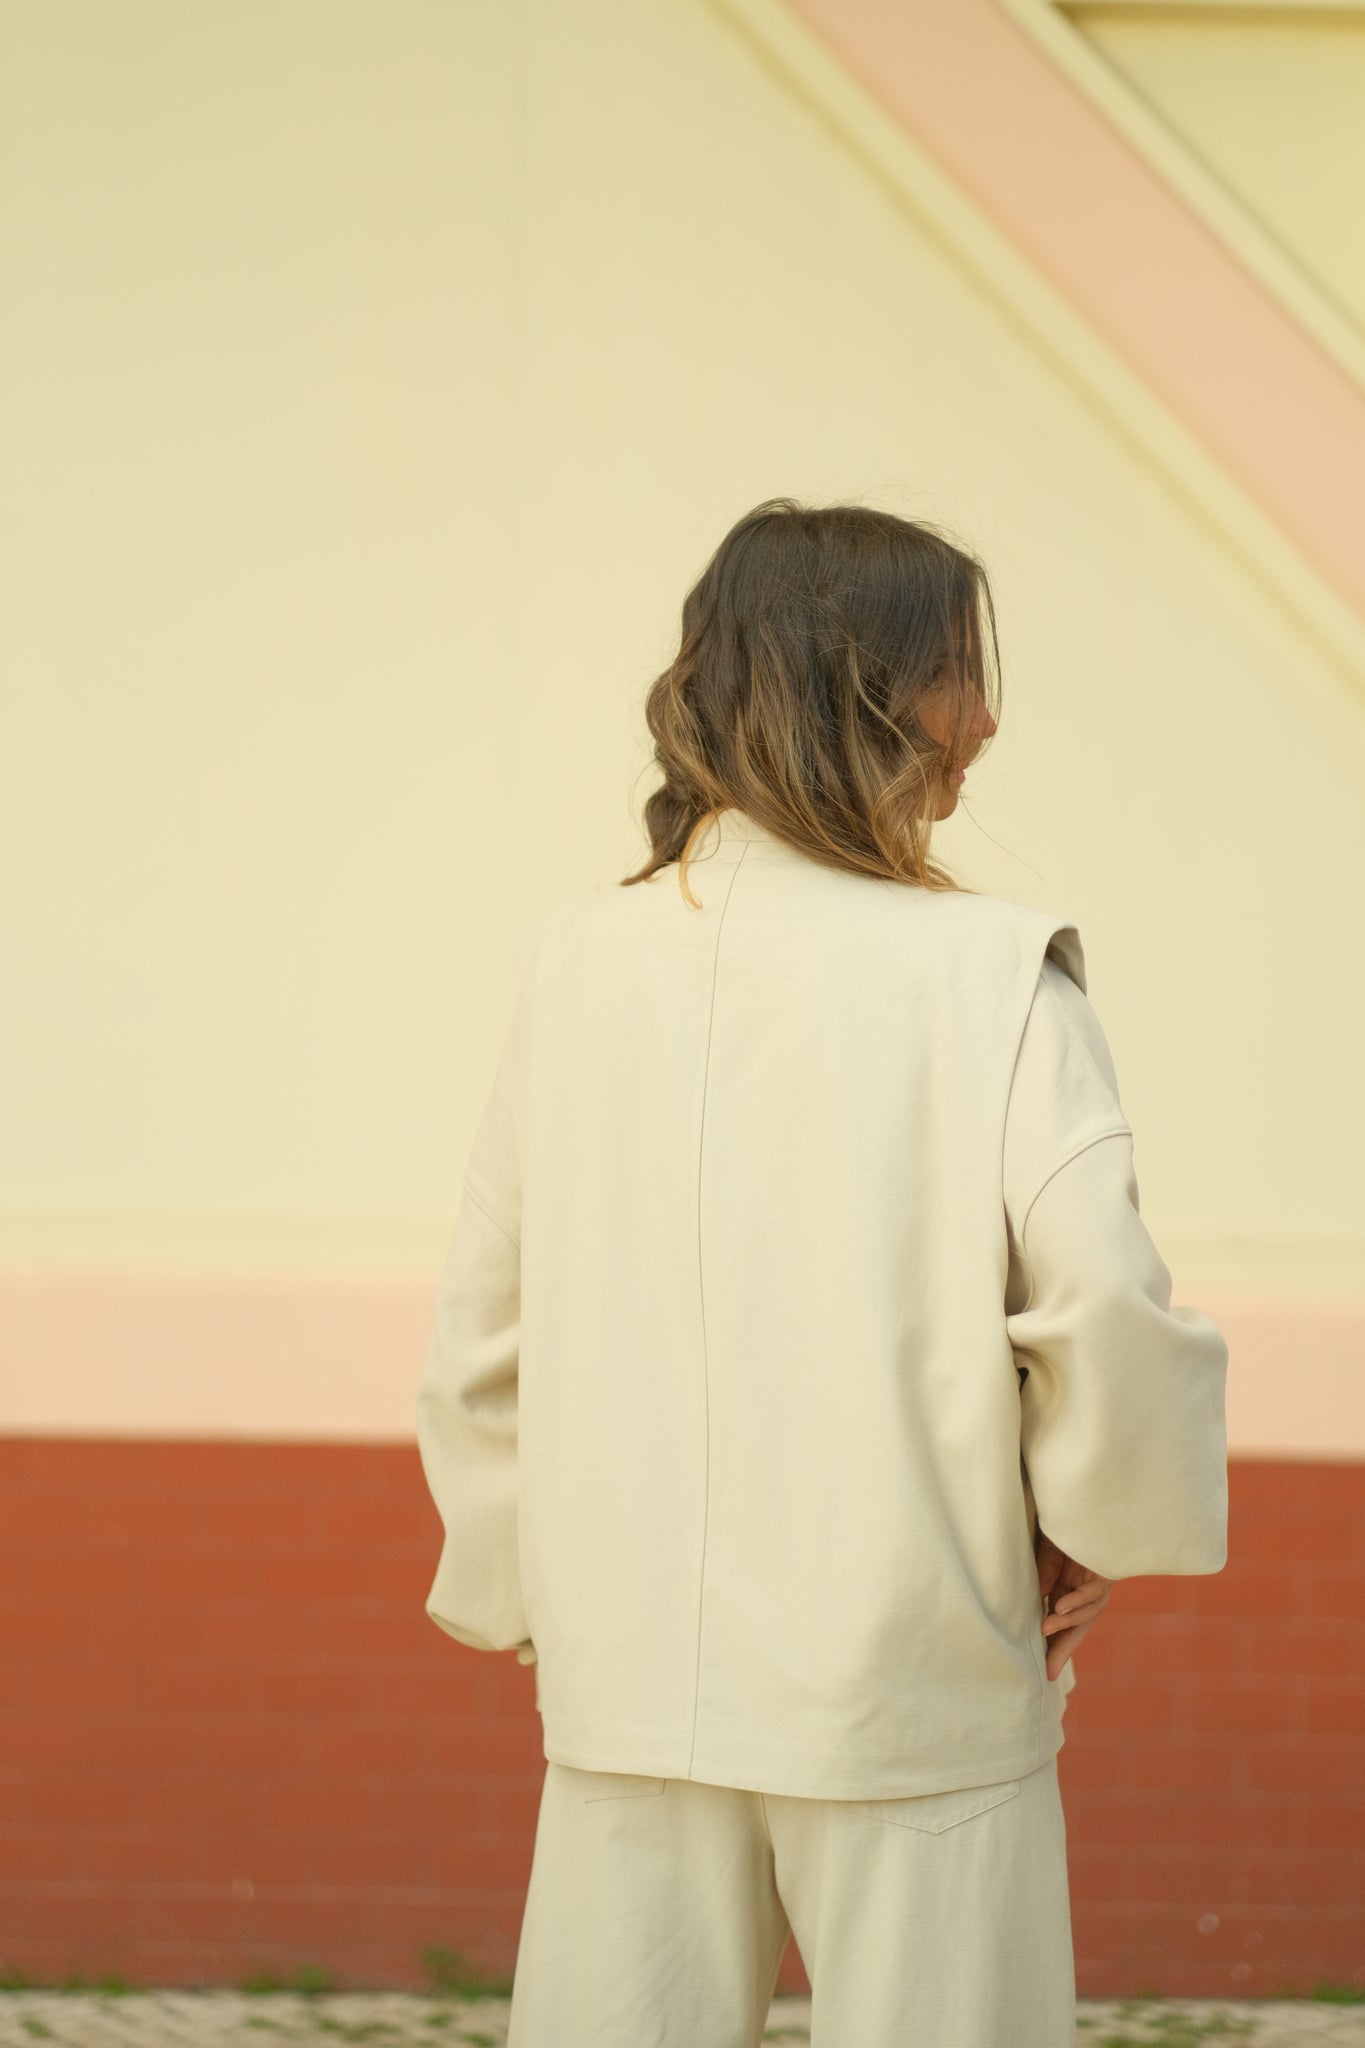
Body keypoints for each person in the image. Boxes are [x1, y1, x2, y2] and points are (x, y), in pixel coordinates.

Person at [415, 497, 1229, 2046]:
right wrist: (1089, 1522)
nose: (983, 720)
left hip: (627, 1682)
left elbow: (480, 1337)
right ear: (853, 688)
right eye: (954, 671)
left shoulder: (574, 965)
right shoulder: (990, 973)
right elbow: (1104, 1306)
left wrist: (538, 1590)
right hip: (914, 1677)